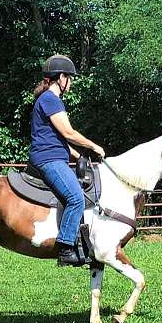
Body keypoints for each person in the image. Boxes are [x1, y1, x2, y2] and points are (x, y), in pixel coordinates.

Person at [30, 54, 105, 267]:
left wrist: (78, 156)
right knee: (76, 198)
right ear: (61, 78)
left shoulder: (48, 100)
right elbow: (68, 133)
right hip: (49, 160)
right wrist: (93, 146)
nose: (70, 83)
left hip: (53, 155)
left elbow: (57, 139)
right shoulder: (50, 100)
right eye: (69, 78)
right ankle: (65, 248)